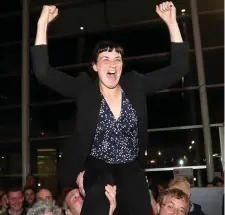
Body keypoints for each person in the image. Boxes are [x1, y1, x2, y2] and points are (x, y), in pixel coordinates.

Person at [31, 1, 189, 214]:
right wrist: (42, 23)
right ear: (95, 67)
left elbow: (177, 68)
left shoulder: (134, 84)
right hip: (97, 165)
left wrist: (172, 22)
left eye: (117, 59)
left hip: (130, 166)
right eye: (105, 59)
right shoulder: (85, 89)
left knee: (140, 203)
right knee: (99, 194)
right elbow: (44, 73)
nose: (112, 64)